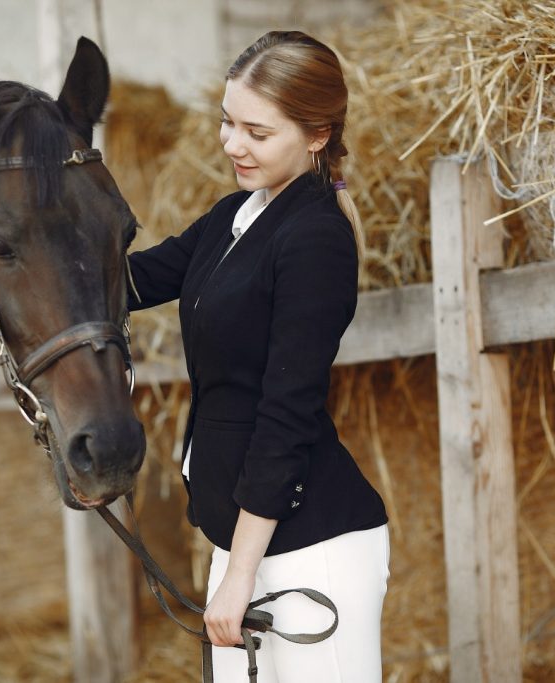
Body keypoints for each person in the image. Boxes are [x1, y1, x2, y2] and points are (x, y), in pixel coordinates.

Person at [127, 30, 389, 682]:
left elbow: (285, 413)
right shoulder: (231, 218)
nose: (232, 144)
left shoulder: (316, 240)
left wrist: (239, 574)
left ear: (317, 134)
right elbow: (135, 279)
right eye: (226, 122)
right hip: (239, 540)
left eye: (256, 131)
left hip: (311, 549)